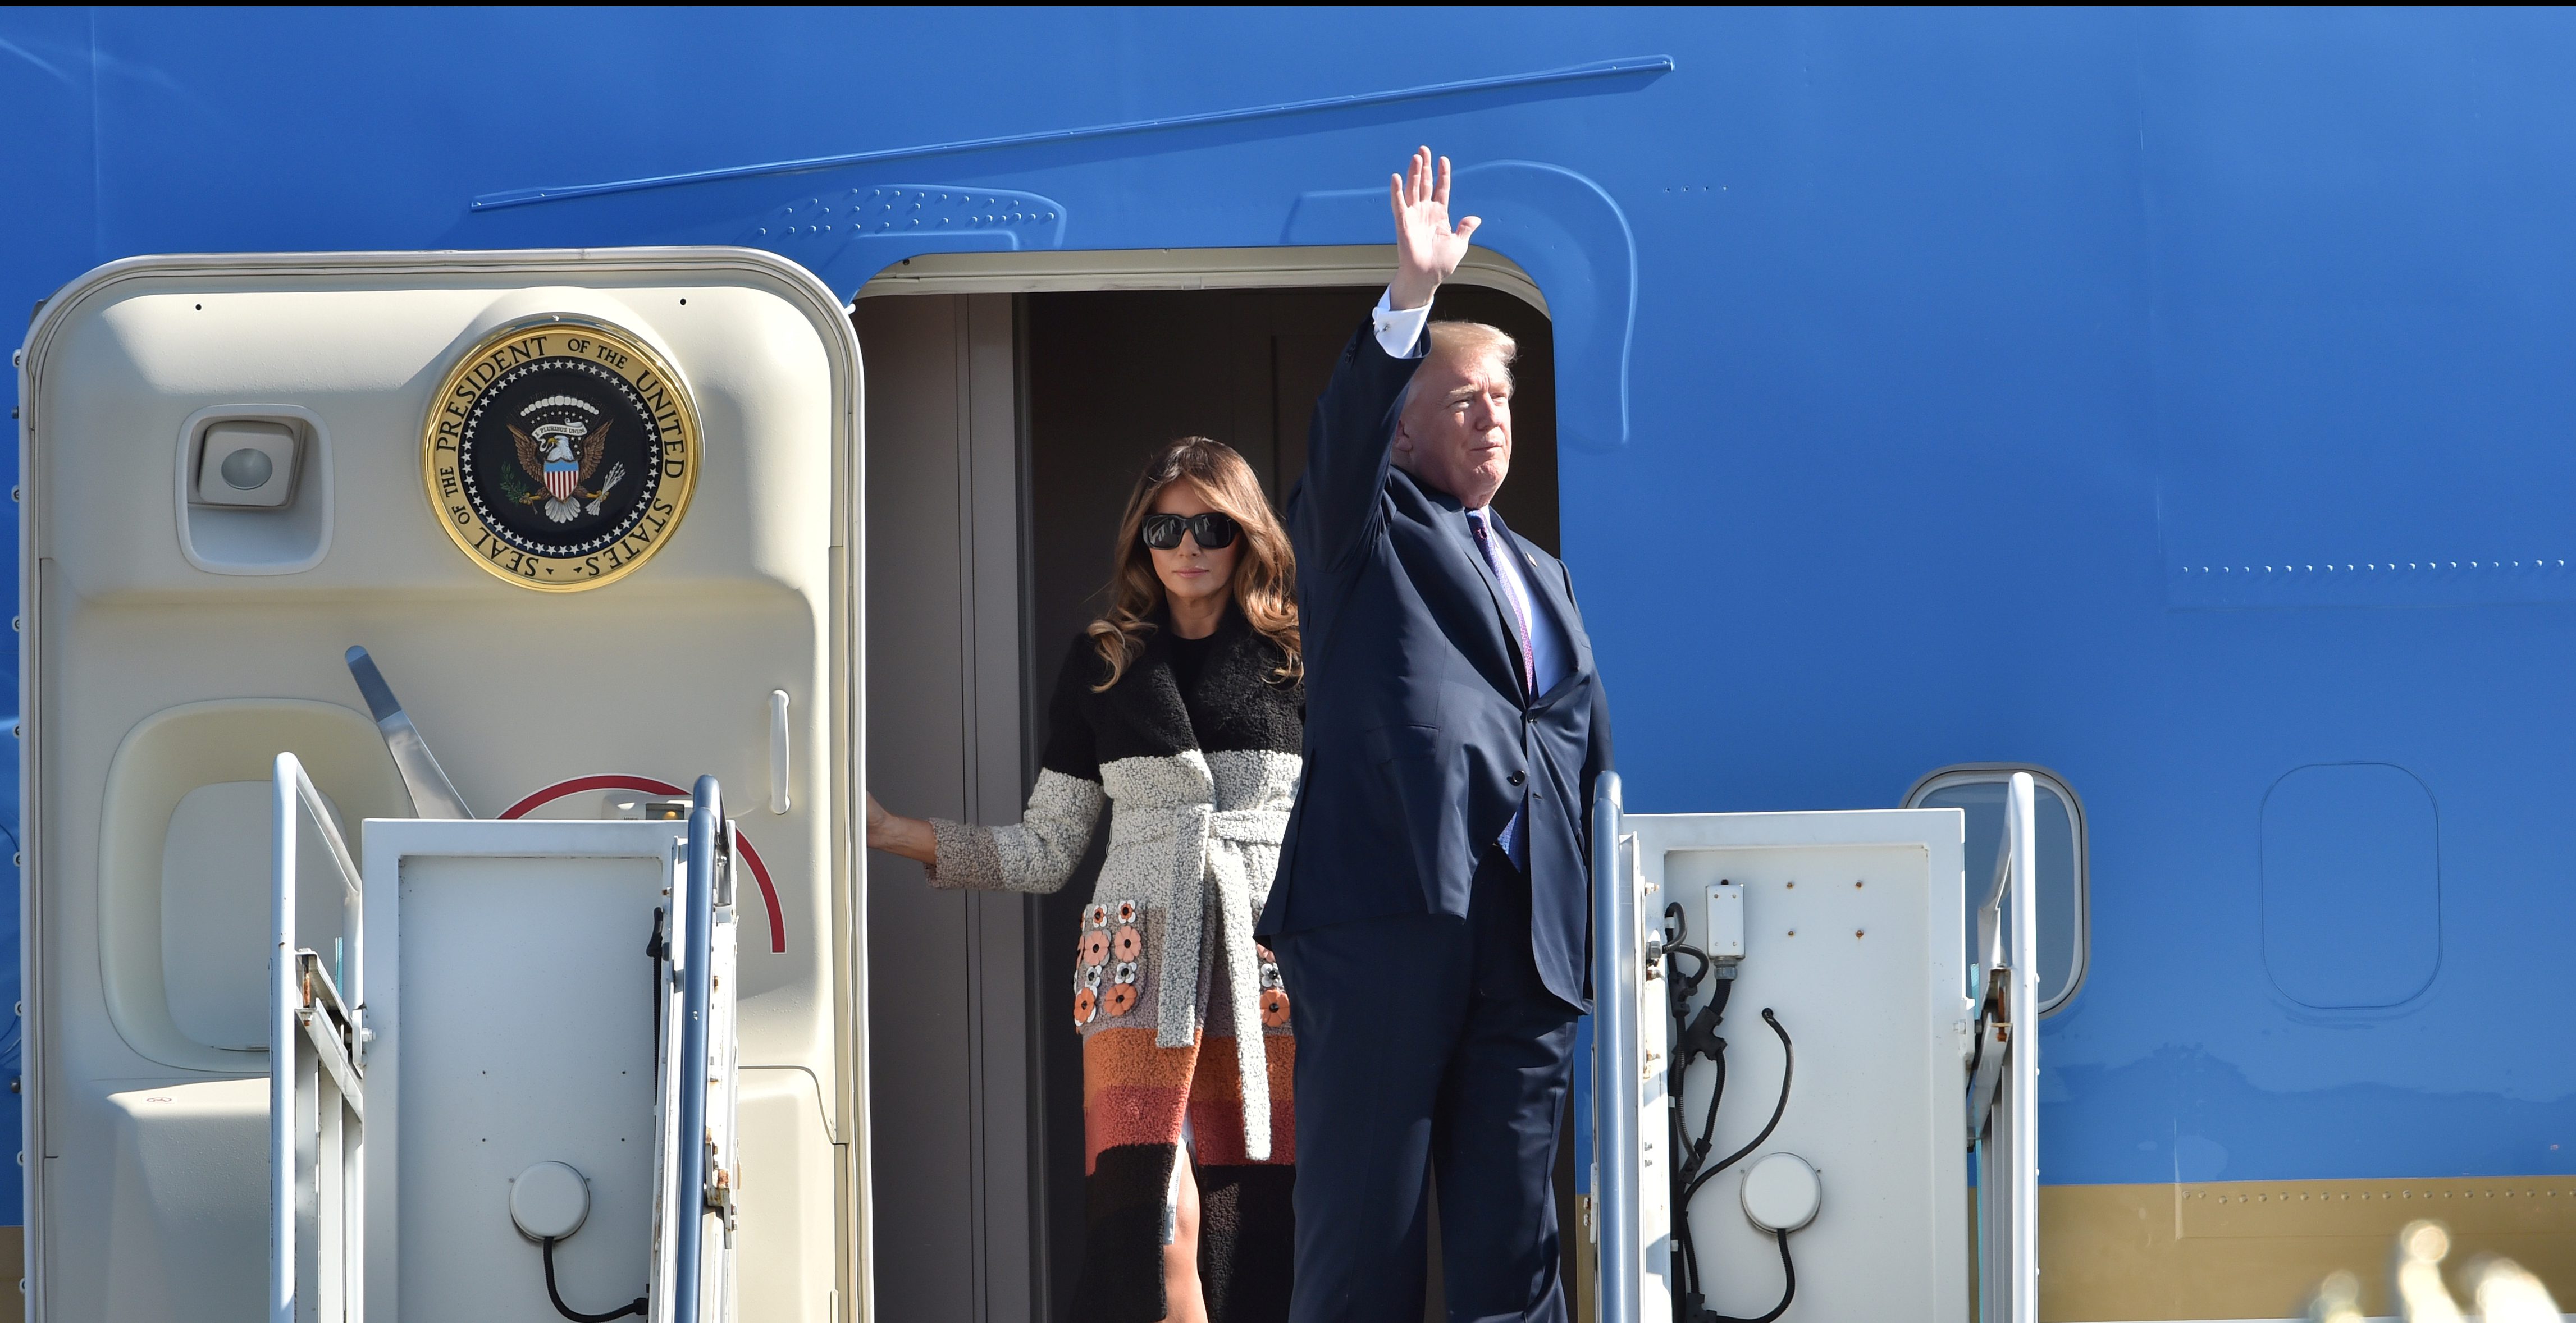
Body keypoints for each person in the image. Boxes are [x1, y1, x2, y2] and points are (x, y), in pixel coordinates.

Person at [1255, 148, 1613, 1322]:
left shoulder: (1542, 571)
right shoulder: (1362, 538)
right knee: (1368, 1236)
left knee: (1515, 1247)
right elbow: (1341, 436)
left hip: (1526, 938)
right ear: (1403, 434)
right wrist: (1408, 303)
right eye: (1461, 399)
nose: (1490, 417)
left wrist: (1589, 913)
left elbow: (1571, 744)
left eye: (1502, 399)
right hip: (1388, 916)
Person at [867, 437, 1306, 1323]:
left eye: (1211, 526)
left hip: (1261, 978)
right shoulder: (1104, 665)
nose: (1187, 545)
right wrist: (890, 831)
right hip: (1137, 984)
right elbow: (1047, 847)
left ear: (1246, 533)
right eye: (1165, 526)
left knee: (1256, 1228)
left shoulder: (1296, 656)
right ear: (1141, 538)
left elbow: (1348, 831)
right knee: (1155, 1230)